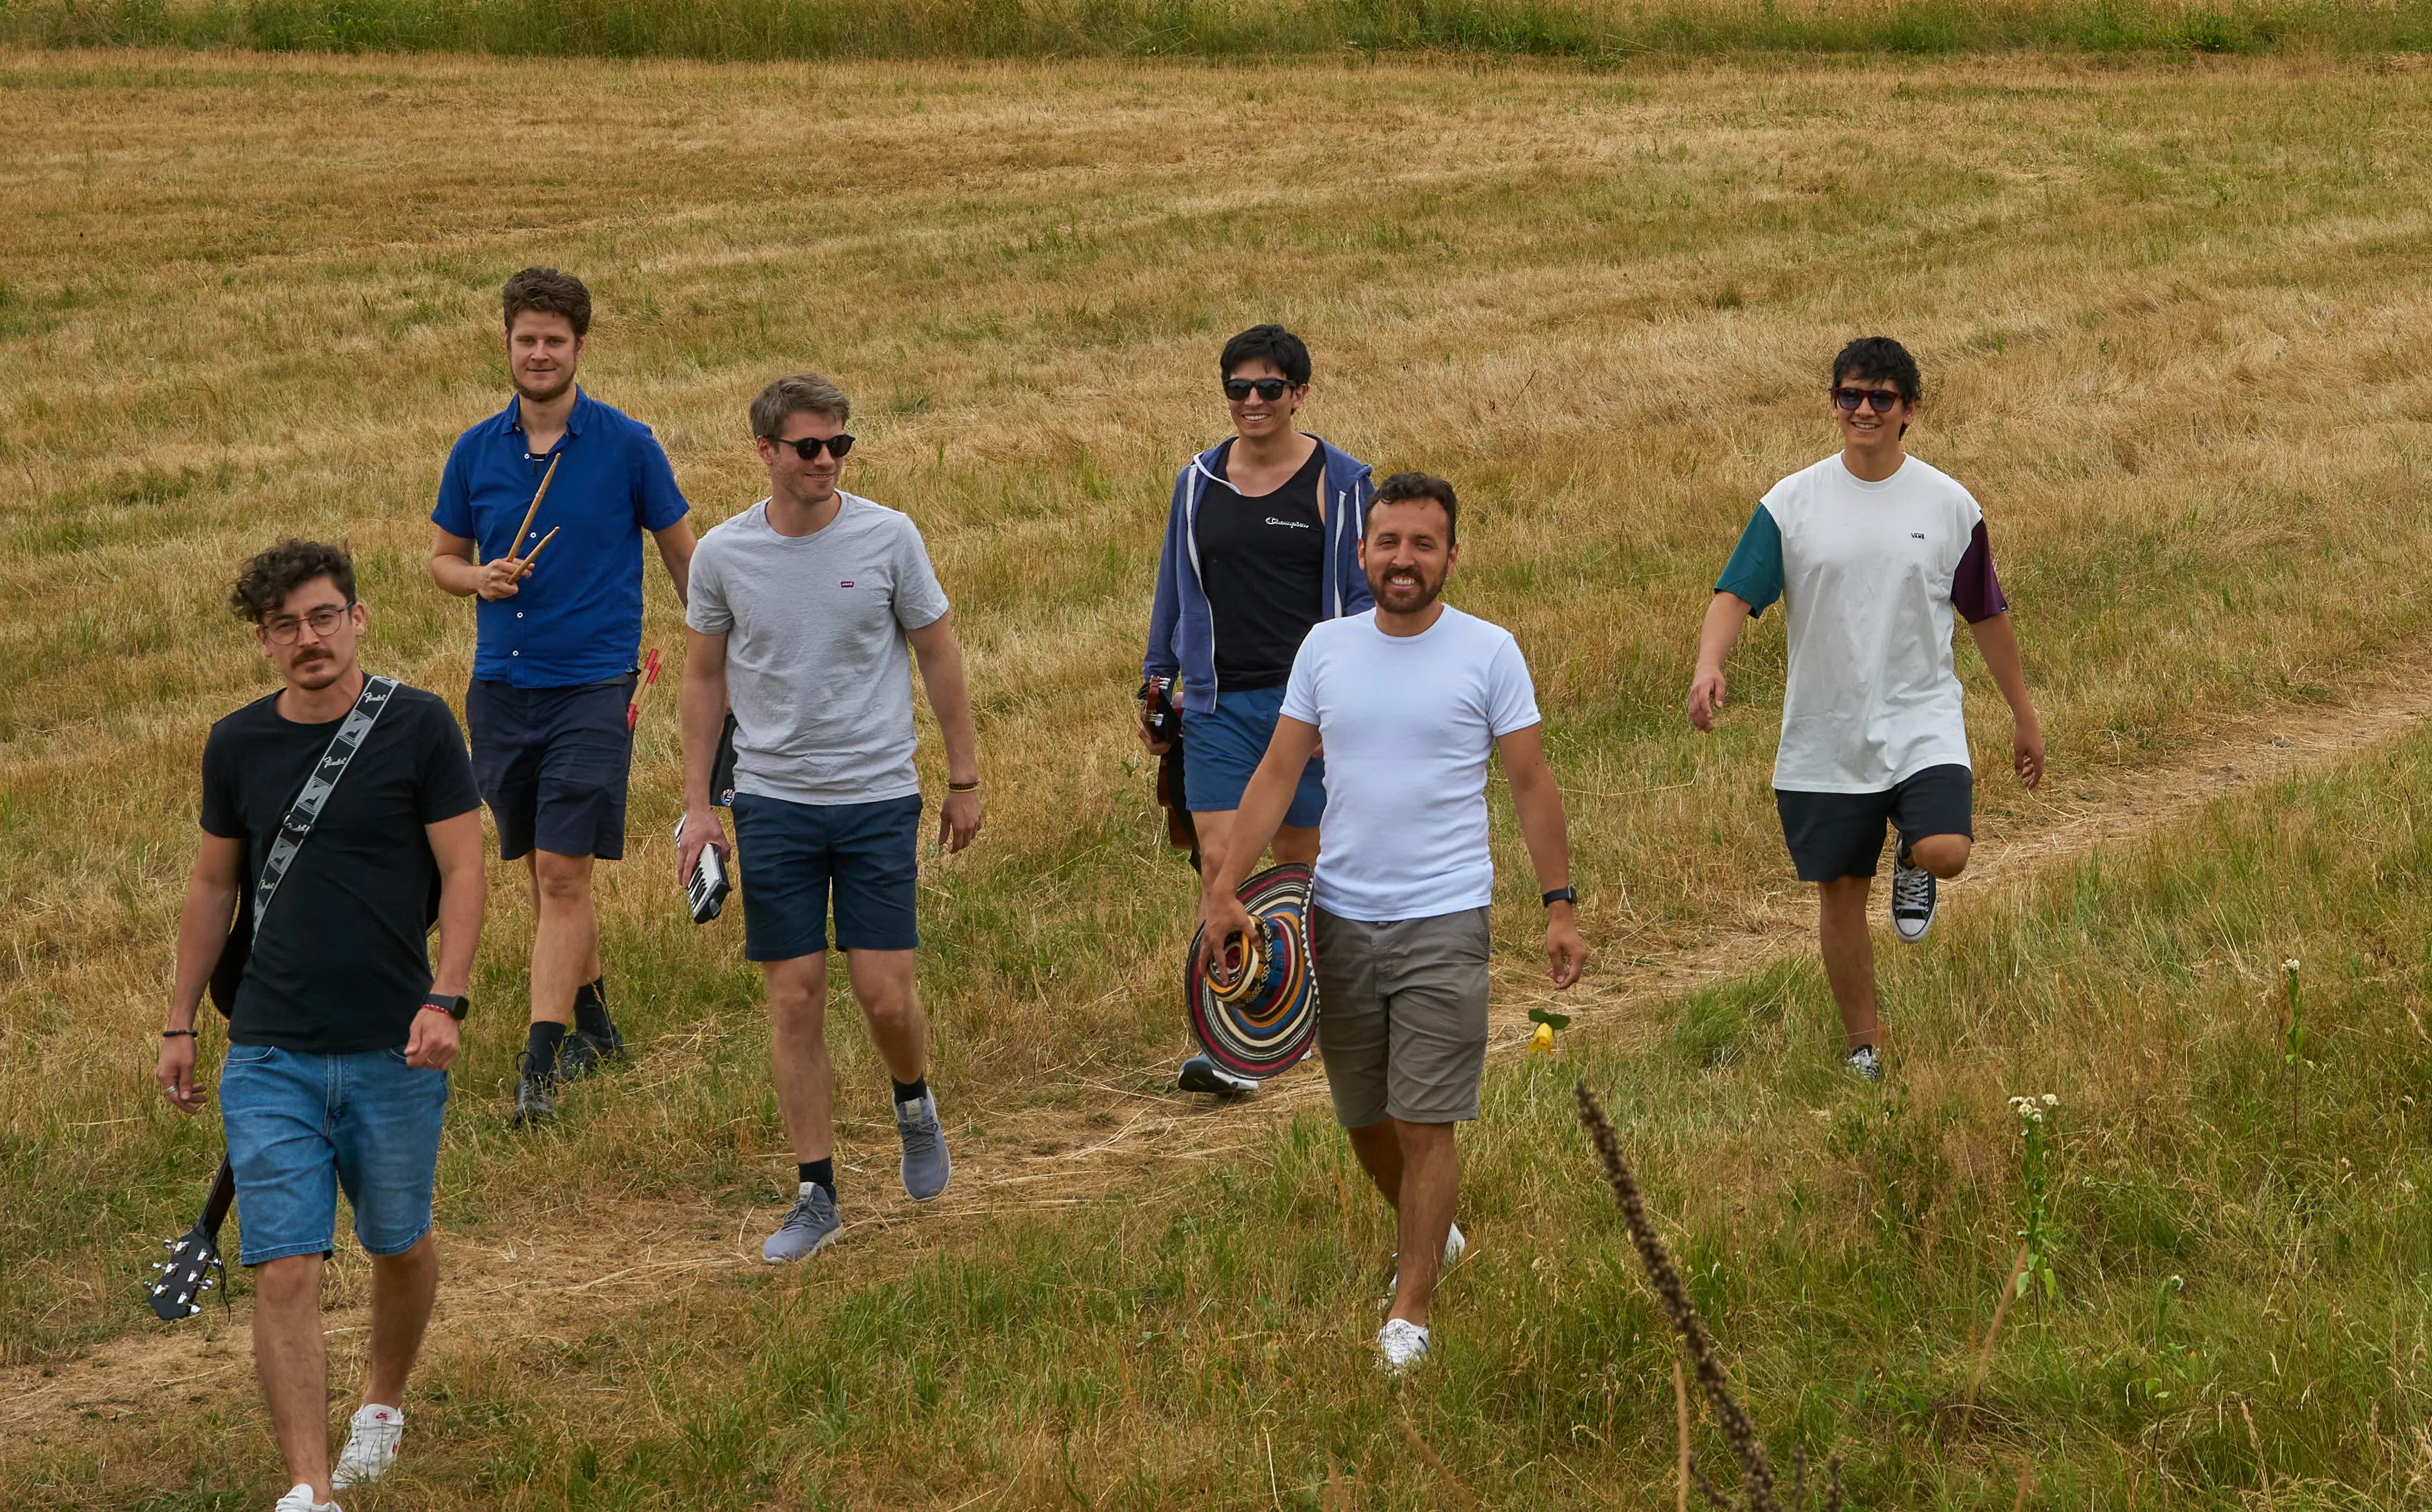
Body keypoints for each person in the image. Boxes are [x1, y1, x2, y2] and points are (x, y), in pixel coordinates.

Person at [1198, 473, 1587, 1374]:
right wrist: (1226, 887)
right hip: (1337, 915)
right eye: (1388, 542)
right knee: (1363, 1113)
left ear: (1450, 556)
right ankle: (1433, 1230)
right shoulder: (1326, 648)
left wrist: (1558, 905)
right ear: (1363, 553)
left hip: (1445, 918)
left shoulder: (1488, 650)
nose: (1403, 559)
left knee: (1425, 1120)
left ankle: (1409, 1309)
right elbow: (1274, 774)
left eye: (1422, 543)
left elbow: (1531, 784)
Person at [157, 541, 484, 1512]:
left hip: (395, 1041)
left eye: (323, 616)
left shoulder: (421, 726)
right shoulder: (236, 744)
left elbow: (465, 872)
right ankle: (308, 1483)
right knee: (284, 1258)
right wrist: (179, 1020)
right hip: (269, 1048)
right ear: (263, 642)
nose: (309, 639)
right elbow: (214, 884)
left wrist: (448, 996)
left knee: (400, 1243)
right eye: (285, 626)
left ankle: (380, 1404)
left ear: (359, 618)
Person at [677, 373, 983, 1264]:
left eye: (838, 445)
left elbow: (938, 653)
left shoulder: (889, 537)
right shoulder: (724, 557)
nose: (826, 461)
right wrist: (698, 807)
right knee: (794, 998)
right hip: (771, 800)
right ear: (766, 452)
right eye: (808, 446)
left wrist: (963, 779)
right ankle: (817, 1194)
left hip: (877, 794)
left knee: (884, 994)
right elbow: (702, 680)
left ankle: (913, 1103)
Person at [1687, 336, 2044, 1082]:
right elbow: (1735, 593)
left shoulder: (1949, 505)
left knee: (1948, 850)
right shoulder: (1792, 503)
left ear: (1909, 410)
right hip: (1825, 733)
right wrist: (1708, 663)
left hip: (1922, 717)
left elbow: (1985, 613)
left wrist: (2022, 711)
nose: (1863, 410)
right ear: (1832, 404)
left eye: (1881, 398)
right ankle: (1864, 1045)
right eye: (1849, 396)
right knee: (1841, 899)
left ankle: (1912, 852)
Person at [428, 267, 696, 1124]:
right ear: (507, 344)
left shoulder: (628, 445)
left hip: (595, 683)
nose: (539, 353)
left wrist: (727, 651)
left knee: (562, 872)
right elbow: (441, 561)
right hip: (501, 688)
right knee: (545, 873)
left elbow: (685, 557)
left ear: (580, 347)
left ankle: (538, 1070)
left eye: (554, 340)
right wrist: (478, 577)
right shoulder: (475, 452)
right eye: (525, 339)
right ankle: (595, 1023)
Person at [1142, 324, 1376, 1096]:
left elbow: (1360, 601)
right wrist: (1157, 680)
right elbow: (1174, 586)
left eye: (1268, 389)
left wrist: (1343, 702)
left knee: (1298, 873)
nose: (1251, 402)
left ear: (1298, 395)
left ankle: (1302, 1020)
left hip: (1303, 709)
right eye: (1237, 389)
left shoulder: (1340, 484)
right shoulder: (1197, 482)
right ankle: (1239, 1037)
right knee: (1220, 867)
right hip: (1213, 702)